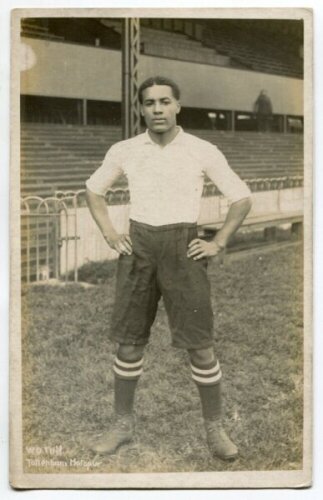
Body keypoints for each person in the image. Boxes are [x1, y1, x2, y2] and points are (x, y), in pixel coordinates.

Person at [85, 76, 252, 461]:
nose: (157, 109)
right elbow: (94, 190)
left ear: (178, 106)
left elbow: (241, 198)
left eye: (164, 101)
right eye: (149, 103)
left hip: (183, 250)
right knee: (129, 342)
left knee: (201, 346)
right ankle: (122, 425)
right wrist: (111, 233)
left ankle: (215, 429)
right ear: (140, 109)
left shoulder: (201, 149)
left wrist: (218, 241)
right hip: (139, 247)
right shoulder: (126, 149)